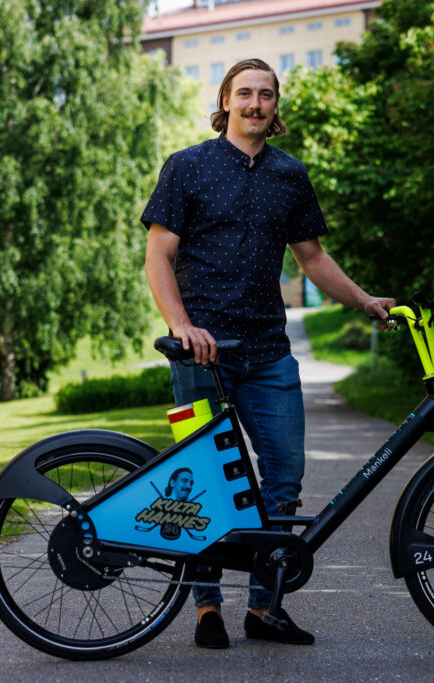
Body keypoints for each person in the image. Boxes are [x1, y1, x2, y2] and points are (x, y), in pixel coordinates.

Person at [141, 57, 394, 650]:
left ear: (276, 106)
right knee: (204, 483)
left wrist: (362, 300)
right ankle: (206, 608)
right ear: (225, 101)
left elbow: (312, 258)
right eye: (245, 94)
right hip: (201, 354)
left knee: (283, 477)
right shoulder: (187, 167)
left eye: (266, 95)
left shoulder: (290, 174)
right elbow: (158, 256)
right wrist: (182, 326)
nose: (255, 104)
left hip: (269, 353)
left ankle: (264, 607)